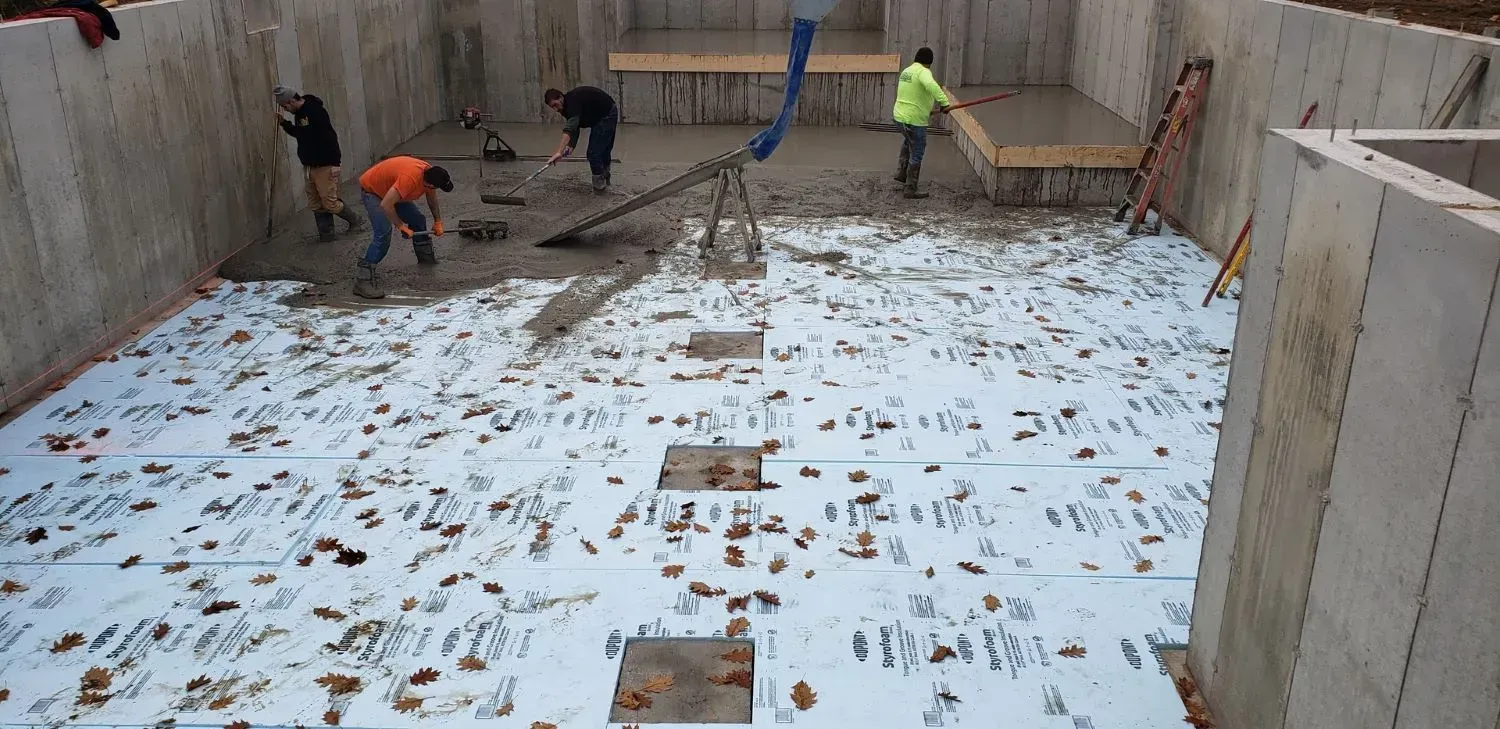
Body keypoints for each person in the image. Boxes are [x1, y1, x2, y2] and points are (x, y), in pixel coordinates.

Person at [351, 156, 453, 300]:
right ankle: (362, 280)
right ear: (429, 185)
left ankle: (425, 259)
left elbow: (431, 198)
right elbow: (386, 204)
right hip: (374, 192)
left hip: (392, 189)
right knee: (383, 234)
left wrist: (438, 221)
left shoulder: (430, 172)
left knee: (418, 220)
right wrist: (400, 226)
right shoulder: (409, 179)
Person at [274, 85, 362, 240]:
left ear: (291, 100)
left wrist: (336, 163)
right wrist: (284, 124)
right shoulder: (299, 115)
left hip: (324, 164)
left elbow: (330, 137)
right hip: (309, 165)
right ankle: (326, 234)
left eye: (284, 106)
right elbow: (300, 134)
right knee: (315, 202)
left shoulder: (315, 111)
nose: (285, 109)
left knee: (329, 202)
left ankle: (356, 221)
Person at [891, 48, 954, 200]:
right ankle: (910, 189)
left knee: (908, 140)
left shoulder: (907, 71)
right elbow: (932, 86)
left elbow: (912, 94)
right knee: (917, 150)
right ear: (929, 63)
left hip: (900, 117)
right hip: (915, 120)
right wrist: (945, 103)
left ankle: (901, 173)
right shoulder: (924, 72)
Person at [544, 86, 620, 192]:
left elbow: (569, 129)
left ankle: (600, 189)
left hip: (606, 115)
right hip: (602, 114)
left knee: (593, 154)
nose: (556, 109)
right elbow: (575, 126)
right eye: (553, 107)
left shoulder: (572, 104)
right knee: (602, 151)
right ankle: (606, 179)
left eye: (555, 105)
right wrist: (571, 145)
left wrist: (559, 152)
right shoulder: (565, 107)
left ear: (561, 97)